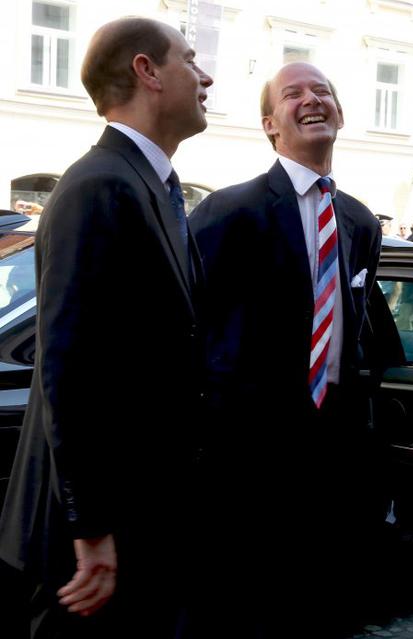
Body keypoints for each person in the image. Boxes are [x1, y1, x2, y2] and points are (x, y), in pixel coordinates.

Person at [0, 17, 212, 638]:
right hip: (94, 549)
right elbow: (69, 369)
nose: (205, 76)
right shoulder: (99, 186)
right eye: (189, 60)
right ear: (147, 72)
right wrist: (90, 528)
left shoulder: (148, 185)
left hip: (136, 524)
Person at [187, 62, 383, 638]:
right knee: (248, 609)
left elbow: (352, 329)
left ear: (340, 113)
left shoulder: (359, 221)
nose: (312, 99)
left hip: (332, 452)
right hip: (248, 456)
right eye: (293, 94)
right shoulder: (229, 211)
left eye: (323, 91)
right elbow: (190, 326)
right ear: (270, 125)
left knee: (318, 605)